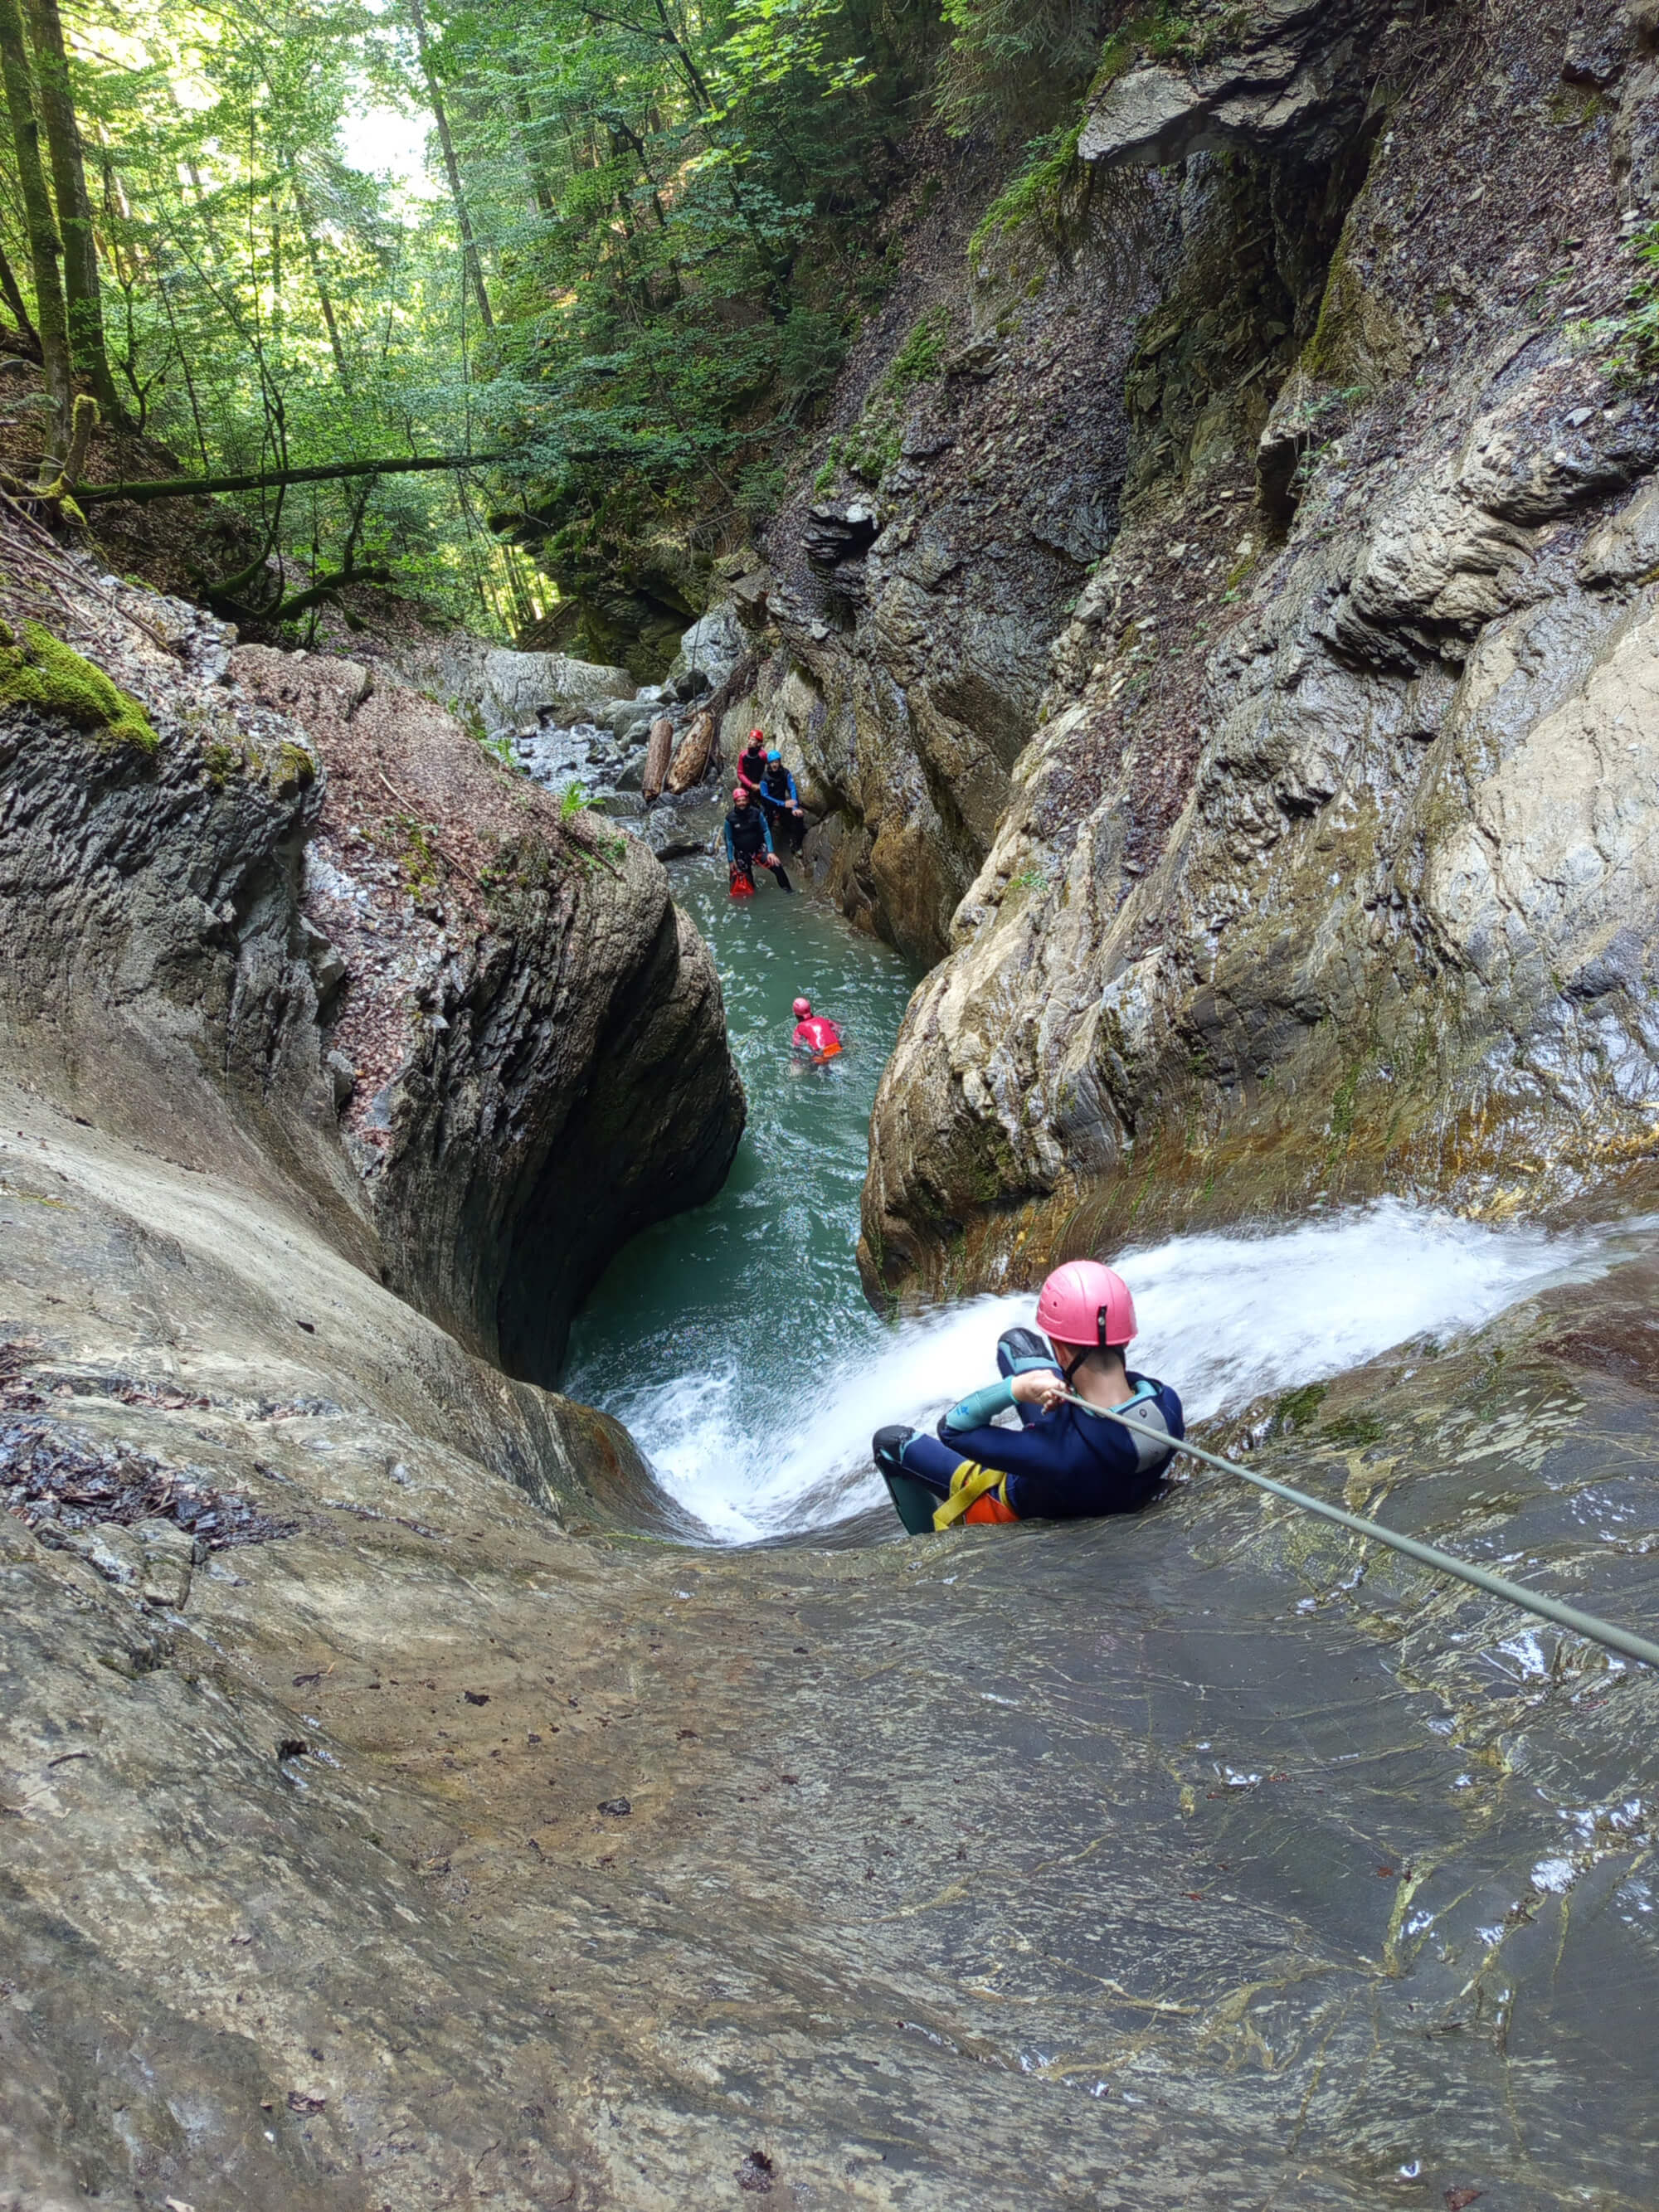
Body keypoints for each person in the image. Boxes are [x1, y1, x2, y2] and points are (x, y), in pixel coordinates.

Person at [873, 1259, 1183, 1531]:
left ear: (1060, 1351)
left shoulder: (1057, 1453)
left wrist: (1017, 1389)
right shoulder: (1168, 1405)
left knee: (888, 1443)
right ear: (1125, 1341)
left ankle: (924, 1546)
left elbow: (952, 1429)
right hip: (1089, 1465)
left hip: (1012, 1500)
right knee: (1016, 1342)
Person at [723, 783, 792, 895]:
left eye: (743, 800)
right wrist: (730, 860)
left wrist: (771, 852)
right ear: (735, 802)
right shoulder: (730, 819)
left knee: (777, 865)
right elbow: (729, 840)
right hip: (742, 853)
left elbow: (765, 831)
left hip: (758, 849)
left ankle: (788, 891)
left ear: (747, 800)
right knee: (746, 883)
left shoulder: (756, 813)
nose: (742, 803)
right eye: (739, 801)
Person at [757, 749, 806, 853]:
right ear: (769, 764)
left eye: (776, 762)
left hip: (782, 805)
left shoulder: (785, 773)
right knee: (762, 824)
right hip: (769, 806)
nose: (774, 765)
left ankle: (796, 845)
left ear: (780, 762)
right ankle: (761, 846)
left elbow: (792, 788)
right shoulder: (764, 777)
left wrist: (794, 807)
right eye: (772, 762)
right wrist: (783, 804)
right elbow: (764, 796)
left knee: (797, 817)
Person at [791, 994, 842, 1062]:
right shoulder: (822, 1019)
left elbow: (796, 1046)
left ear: (796, 1014)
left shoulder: (799, 1028)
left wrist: (795, 1061)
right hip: (837, 1048)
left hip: (821, 1054)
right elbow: (838, 1029)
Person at [737, 728, 769, 794]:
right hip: (746, 785)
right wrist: (751, 785)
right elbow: (740, 773)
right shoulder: (743, 755)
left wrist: (763, 783)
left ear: (759, 743)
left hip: (759, 785)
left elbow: (771, 766)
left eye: (753, 740)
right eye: (749, 739)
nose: (749, 741)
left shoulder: (763, 755)